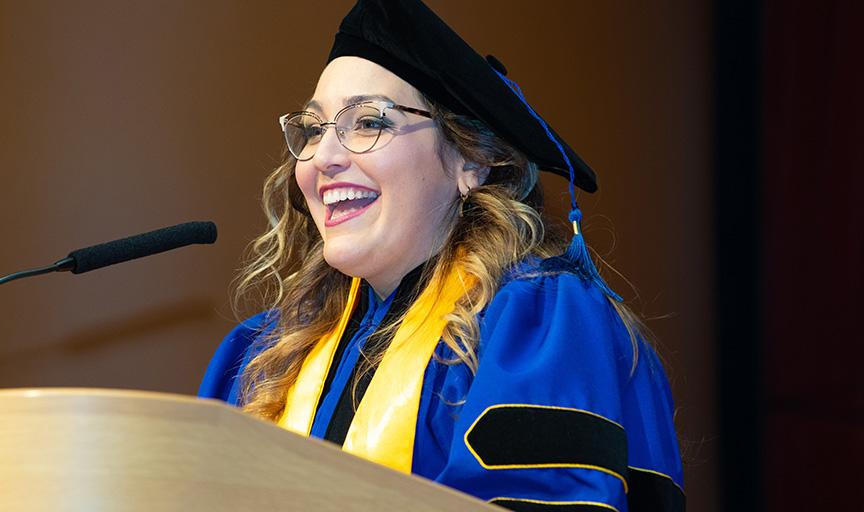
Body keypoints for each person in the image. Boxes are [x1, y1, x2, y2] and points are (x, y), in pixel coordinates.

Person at [199, 1, 684, 510]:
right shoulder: (260, 356)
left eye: (367, 123)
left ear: (471, 159)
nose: (324, 156)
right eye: (314, 129)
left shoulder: (532, 328)